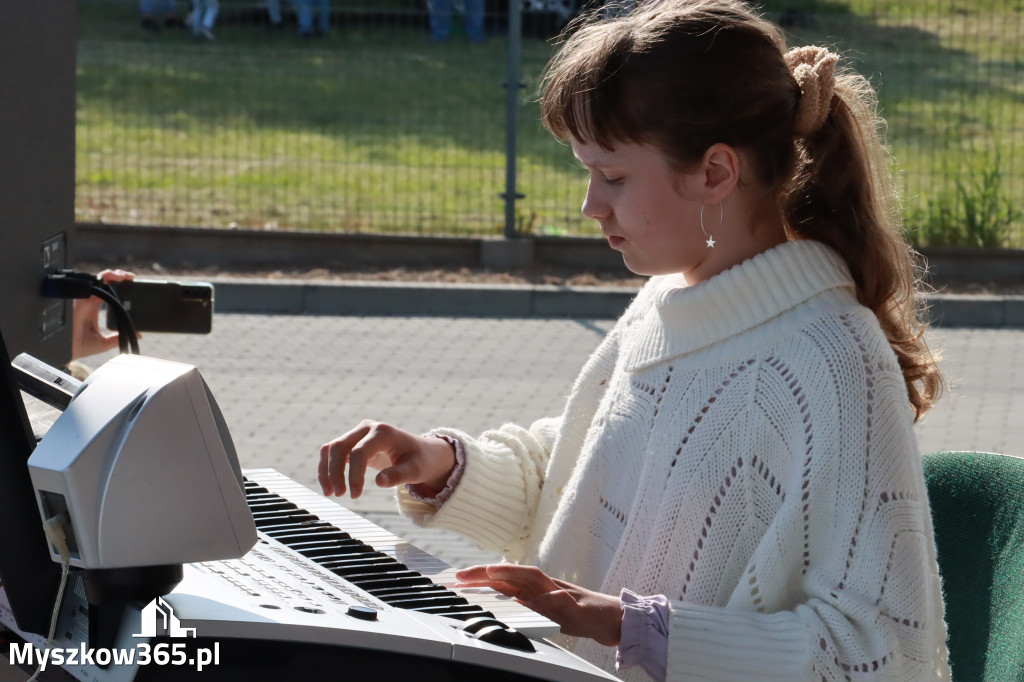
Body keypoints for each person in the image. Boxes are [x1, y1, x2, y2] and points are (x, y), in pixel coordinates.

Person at [318, 1, 950, 680]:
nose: (591, 204)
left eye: (613, 176)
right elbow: (583, 481)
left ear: (714, 173)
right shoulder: (670, 299)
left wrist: (627, 627)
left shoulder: (831, 359)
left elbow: (882, 650)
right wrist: (442, 462)